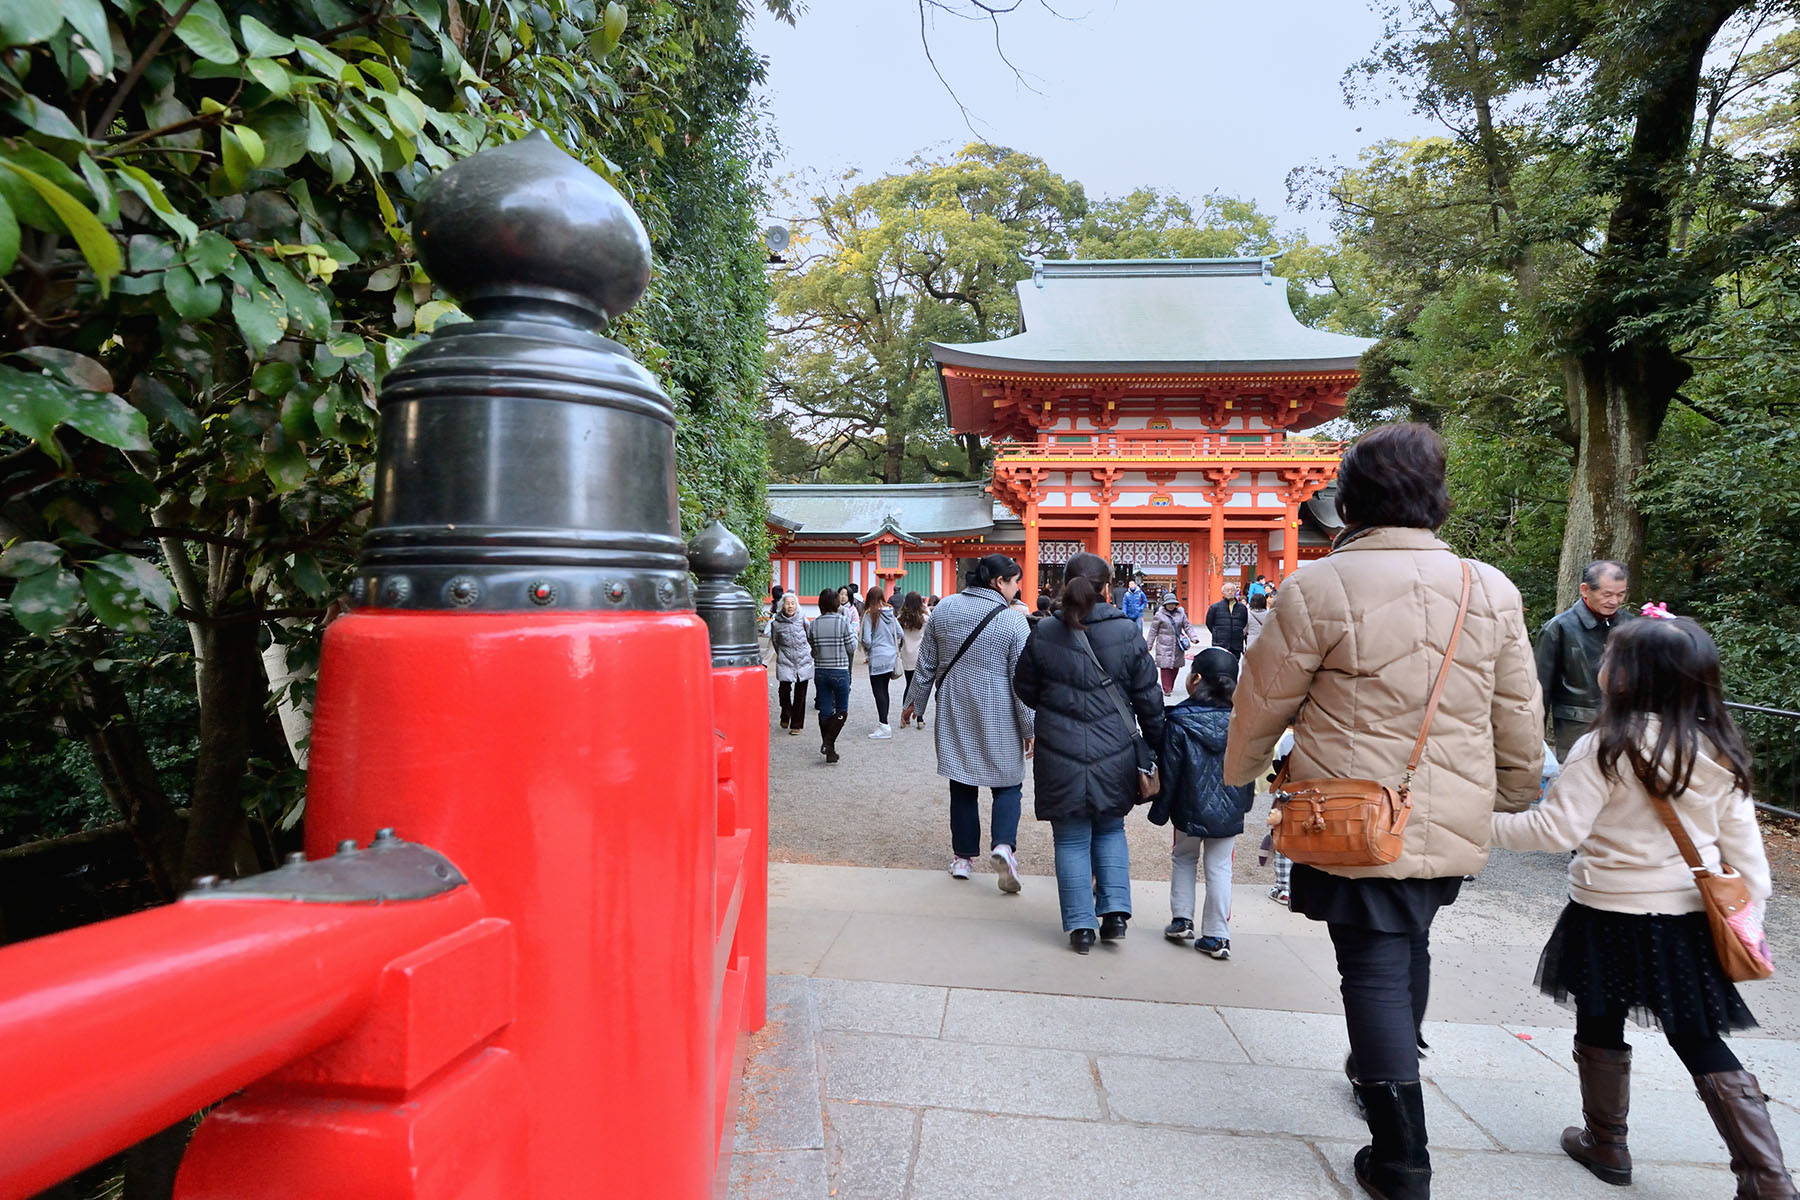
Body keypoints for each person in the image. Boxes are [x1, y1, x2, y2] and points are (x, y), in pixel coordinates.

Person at [1223, 422, 1543, 1200]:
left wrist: (1238, 774)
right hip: (1451, 812)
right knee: (1409, 943)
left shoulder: (1318, 586)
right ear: (1435, 496)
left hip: (1353, 810)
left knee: (1369, 963)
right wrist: (1514, 788)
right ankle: (1383, 1070)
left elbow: (1264, 701)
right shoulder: (1489, 587)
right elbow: (1518, 709)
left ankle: (1401, 1154)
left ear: (1350, 499)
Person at [1492, 614, 1793, 1197]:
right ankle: (1767, 1175)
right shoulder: (1717, 749)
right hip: (1683, 919)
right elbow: (1749, 859)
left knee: (1599, 1016)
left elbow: (1556, 830)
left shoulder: (1603, 746)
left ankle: (1607, 1143)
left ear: (1628, 677)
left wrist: (1478, 826)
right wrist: (1743, 918)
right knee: (1699, 1035)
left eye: (1611, 657)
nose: (1601, 665)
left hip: (1606, 912)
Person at [1013, 552, 1163, 952]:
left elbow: (1024, 687)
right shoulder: (1127, 632)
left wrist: (1054, 702)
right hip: (1114, 747)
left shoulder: (1045, 631)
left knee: (1071, 839)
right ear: (1106, 587)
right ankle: (1114, 913)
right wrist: (1157, 746)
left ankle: (1080, 927)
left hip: (1059, 748)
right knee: (1111, 828)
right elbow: (1148, 697)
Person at [901, 555, 1035, 890]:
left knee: (962, 782)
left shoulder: (944, 608)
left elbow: (926, 663)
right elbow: (1022, 684)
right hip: (999, 710)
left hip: (954, 706)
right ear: (998, 583)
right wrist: (1031, 727)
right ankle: (1003, 845)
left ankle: (962, 858)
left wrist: (913, 702)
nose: (1018, 588)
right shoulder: (1014, 621)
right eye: (1015, 581)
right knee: (1008, 784)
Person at [1150, 648, 1253, 958]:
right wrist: (1243, 805)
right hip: (1229, 806)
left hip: (1188, 804)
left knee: (1183, 857)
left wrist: (1160, 809)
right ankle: (1218, 935)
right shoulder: (1244, 724)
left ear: (1195, 680)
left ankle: (1182, 919)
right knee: (1220, 867)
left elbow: (1170, 770)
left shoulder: (1179, 720)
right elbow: (1249, 769)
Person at [1537, 560, 1634, 761]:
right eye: (1607, 594)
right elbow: (1540, 689)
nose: (1614, 601)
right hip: (1577, 730)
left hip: (1626, 725)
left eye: (1621, 594)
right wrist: (1536, 742)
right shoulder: (1559, 628)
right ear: (1585, 590)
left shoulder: (1632, 625)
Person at [807, 588, 858, 764]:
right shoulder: (844, 621)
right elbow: (852, 648)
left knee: (825, 710)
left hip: (821, 671)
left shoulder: (814, 624)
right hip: (840, 671)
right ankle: (828, 743)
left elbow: (812, 649)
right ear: (836, 603)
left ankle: (830, 749)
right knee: (842, 710)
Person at [860, 586, 902, 740]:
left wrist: (868, 648)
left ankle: (884, 725)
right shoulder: (890, 613)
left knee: (878, 691)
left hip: (877, 658)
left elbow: (867, 640)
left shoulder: (870, 615)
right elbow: (900, 633)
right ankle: (884, 723)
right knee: (884, 690)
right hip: (890, 656)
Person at [768, 593, 813, 736]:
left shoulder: (803, 620)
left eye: (793, 603)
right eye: (787, 603)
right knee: (784, 692)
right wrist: (782, 653)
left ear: (797, 605)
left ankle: (796, 724)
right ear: (782, 605)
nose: (790, 606)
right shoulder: (776, 623)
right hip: (785, 660)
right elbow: (775, 642)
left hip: (803, 660)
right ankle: (786, 713)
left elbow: (810, 636)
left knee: (801, 694)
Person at [1148, 593, 1197, 696]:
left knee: (1175, 667)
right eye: (1169, 604)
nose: (1171, 605)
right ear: (1165, 604)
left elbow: (1187, 626)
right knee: (1165, 667)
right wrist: (1149, 644)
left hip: (1177, 644)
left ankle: (1171, 685)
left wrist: (1193, 637)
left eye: (1173, 603)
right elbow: (1153, 631)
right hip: (1163, 644)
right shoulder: (1159, 615)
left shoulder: (1181, 613)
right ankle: (1167, 688)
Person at [896, 591, 928, 729]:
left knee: (909, 686)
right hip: (920, 655)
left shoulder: (901, 618)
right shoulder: (925, 619)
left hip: (907, 655)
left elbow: (898, 638)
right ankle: (920, 719)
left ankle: (905, 717)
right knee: (920, 688)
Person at [1204, 582, 1250, 656]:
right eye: (1227, 590)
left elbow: (1244, 622)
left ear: (1236, 592)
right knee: (1220, 665)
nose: (1230, 592)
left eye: (1232, 590)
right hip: (1220, 643)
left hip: (1236, 643)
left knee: (1234, 665)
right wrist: (1217, 633)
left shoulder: (1242, 608)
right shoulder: (1215, 607)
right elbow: (1209, 623)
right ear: (1223, 593)